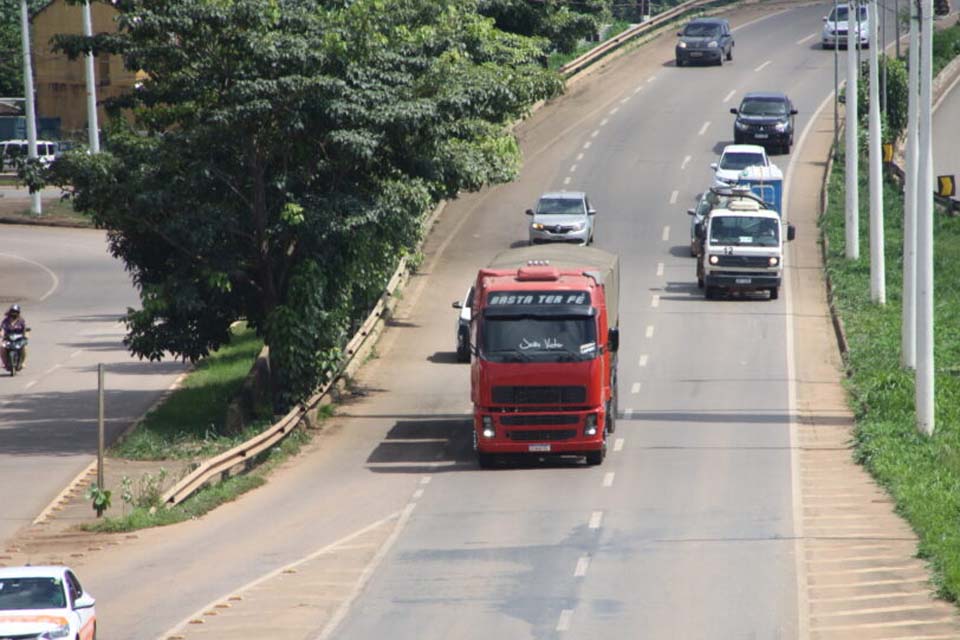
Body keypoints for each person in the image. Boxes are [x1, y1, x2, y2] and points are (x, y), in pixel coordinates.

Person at [1, 304, 28, 372]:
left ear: (18, 313)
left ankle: (23, 362)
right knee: (2, 348)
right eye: (13, 311)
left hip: (19, 339)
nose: (14, 313)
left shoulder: (21, 321)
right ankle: (5, 363)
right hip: (8, 339)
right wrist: (1, 335)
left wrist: (25, 336)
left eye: (15, 312)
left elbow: (25, 330)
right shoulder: (5, 321)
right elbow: (2, 329)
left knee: (24, 347)